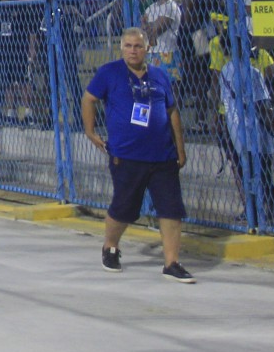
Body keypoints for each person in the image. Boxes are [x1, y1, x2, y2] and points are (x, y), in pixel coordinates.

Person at [82, 27, 194, 282]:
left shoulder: (159, 76)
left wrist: (180, 147)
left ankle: (172, 262)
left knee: (171, 209)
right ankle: (110, 247)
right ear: (122, 48)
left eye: (138, 46)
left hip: (163, 156)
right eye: (129, 46)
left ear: (147, 48)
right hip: (127, 155)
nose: (133, 50)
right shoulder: (109, 73)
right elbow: (88, 99)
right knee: (124, 208)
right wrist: (90, 131)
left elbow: (172, 111)